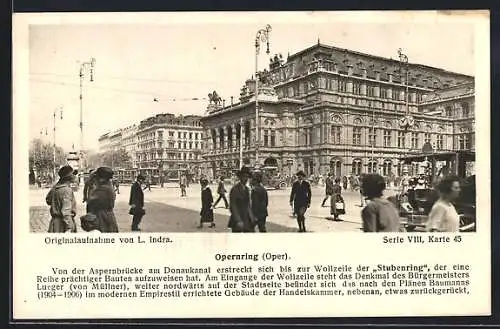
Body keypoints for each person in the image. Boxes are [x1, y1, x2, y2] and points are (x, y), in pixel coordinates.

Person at [45, 165, 77, 233]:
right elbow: (66, 211)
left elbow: (48, 200)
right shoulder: (67, 190)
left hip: (54, 223)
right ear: (70, 177)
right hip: (63, 225)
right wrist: (69, 227)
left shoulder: (55, 188)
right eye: (73, 175)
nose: (75, 177)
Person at [86, 167, 119, 232]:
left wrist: (91, 178)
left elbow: (90, 203)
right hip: (108, 215)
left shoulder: (102, 189)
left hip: (101, 217)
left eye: (97, 177)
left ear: (101, 178)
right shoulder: (108, 187)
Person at [228, 166, 255, 233]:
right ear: (240, 177)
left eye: (247, 177)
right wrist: (238, 220)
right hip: (238, 220)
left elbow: (248, 205)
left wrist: (252, 217)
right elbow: (233, 206)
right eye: (244, 176)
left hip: (247, 219)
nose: (246, 179)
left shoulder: (246, 189)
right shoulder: (235, 189)